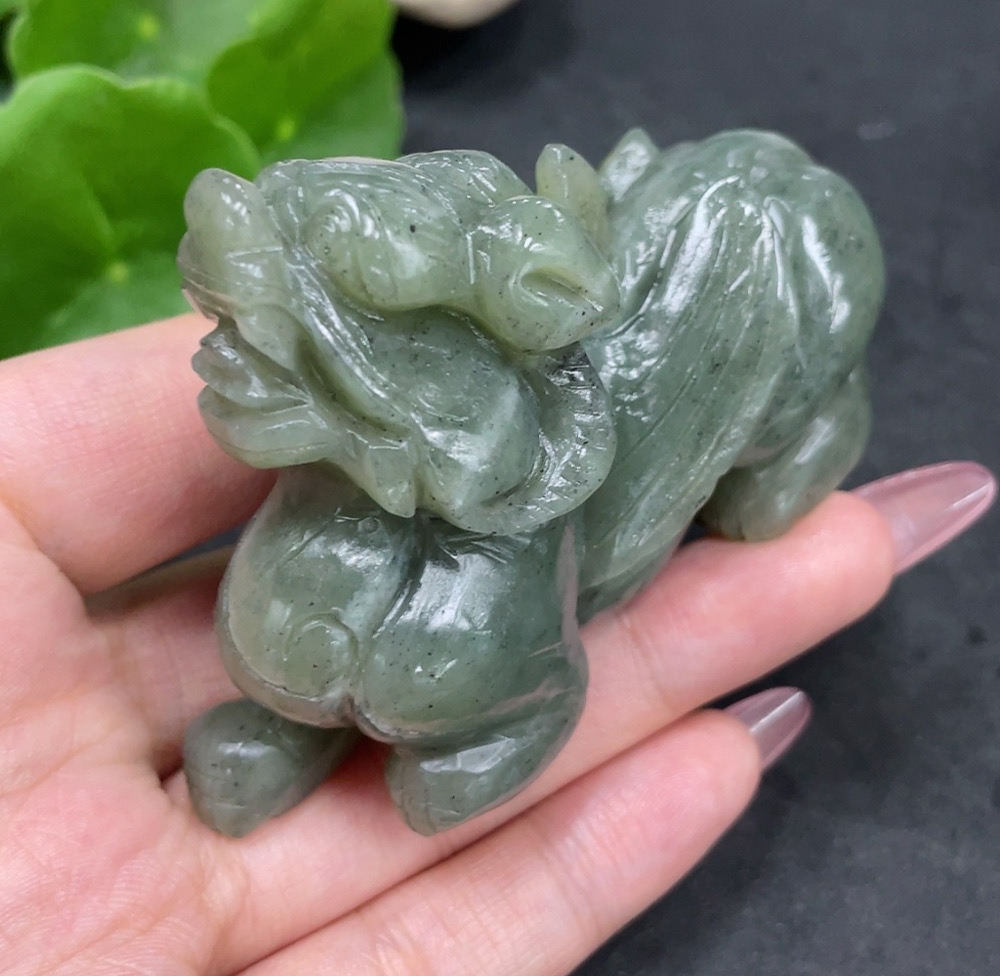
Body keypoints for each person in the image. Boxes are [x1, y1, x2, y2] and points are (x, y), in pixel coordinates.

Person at [0, 314, 993, 975]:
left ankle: (465, 724)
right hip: (373, 570)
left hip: (515, 537)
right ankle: (304, 725)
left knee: (472, 653)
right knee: (322, 630)